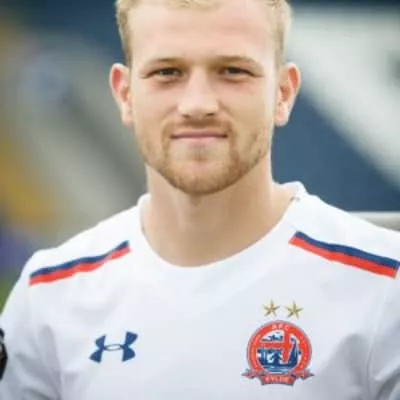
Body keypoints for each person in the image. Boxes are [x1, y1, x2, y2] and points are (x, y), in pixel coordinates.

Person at [0, 0, 399, 398]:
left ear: (283, 93)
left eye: (233, 71)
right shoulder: (49, 295)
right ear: (124, 94)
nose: (198, 105)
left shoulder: (385, 287)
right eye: (167, 72)